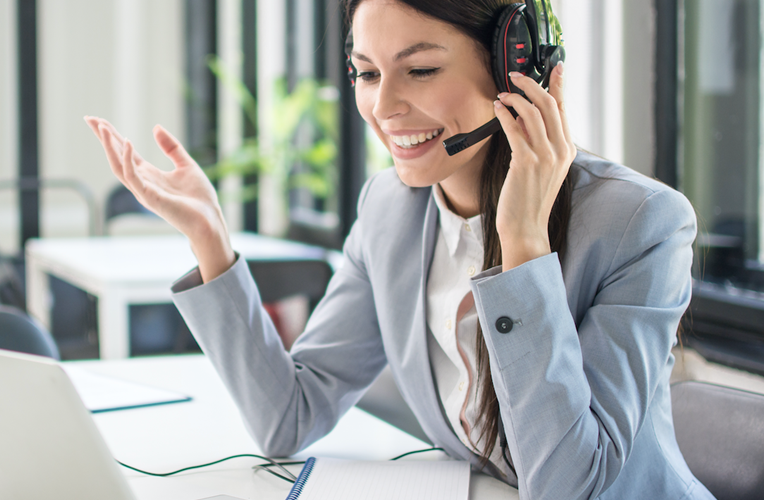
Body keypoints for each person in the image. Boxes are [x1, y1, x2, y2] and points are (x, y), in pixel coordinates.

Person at [85, 1, 713, 498]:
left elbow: (569, 488)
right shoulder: (391, 210)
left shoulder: (640, 224)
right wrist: (209, 239)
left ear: (515, 67)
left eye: (420, 70)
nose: (382, 107)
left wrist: (524, 245)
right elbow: (288, 417)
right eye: (366, 73)